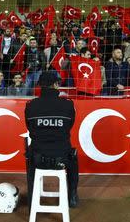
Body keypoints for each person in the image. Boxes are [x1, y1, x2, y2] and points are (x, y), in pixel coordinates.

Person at [24, 71, 79, 210]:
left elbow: (30, 127)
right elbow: (69, 126)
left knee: (30, 153)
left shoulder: (31, 105)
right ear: (55, 84)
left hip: (37, 159)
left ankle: (32, 200)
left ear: (41, 86)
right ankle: (72, 196)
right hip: (62, 158)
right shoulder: (68, 105)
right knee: (73, 155)